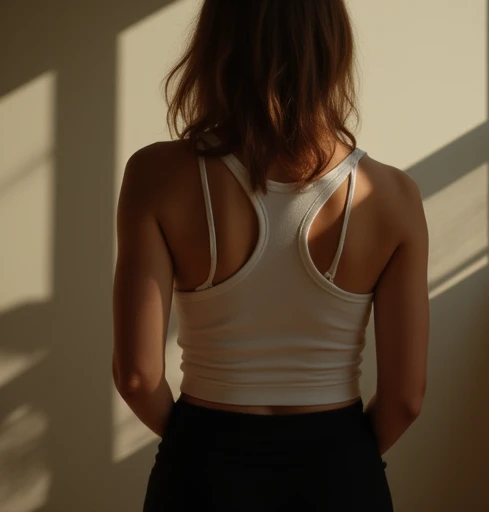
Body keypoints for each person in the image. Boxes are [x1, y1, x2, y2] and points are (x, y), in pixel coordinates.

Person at [112, 1, 429, 510]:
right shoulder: (394, 196)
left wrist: (203, 449)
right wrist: (342, 460)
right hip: (340, 469)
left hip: (203, 465)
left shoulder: (156, 174)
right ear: (333, 49)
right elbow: (406, 399)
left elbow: (136, 377)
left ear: (216, 43)